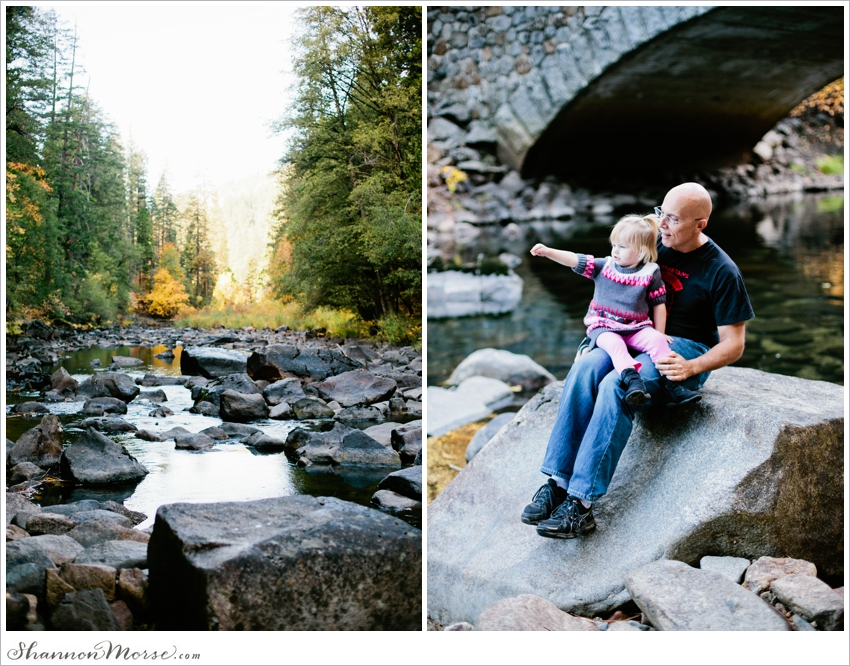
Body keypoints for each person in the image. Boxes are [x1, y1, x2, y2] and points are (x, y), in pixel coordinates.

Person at [521, 182, 754, 540]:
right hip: (633, 335)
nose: (663, 224)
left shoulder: (723, 271)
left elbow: (734, 344)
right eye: (662, 213)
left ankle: (581, 505)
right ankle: (558, 482)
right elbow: (612, 268)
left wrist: (693, 368)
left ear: (700, 225)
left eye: (673, 219)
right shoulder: (654, 239)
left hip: (682, 350)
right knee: (586, 368)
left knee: (617, 385)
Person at [530, 214, 701, 408]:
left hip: (637, 327)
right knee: (615, 345)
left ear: (641, 251)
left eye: (622, 246)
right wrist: (548, 252)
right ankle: (633, 382)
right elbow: (573, 259)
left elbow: (658, 304)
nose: (615, 251)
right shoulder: (604, 266)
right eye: (614, 245)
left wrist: (659, 332)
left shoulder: (651, 272)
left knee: (657, 341)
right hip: (603, 327)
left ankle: (672, 385)